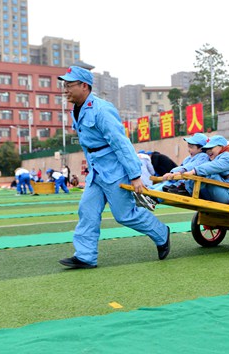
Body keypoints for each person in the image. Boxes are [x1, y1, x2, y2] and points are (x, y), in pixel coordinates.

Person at [57, 65, 170, 269]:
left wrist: (135, 174)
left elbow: (121, 142)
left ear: (84, 86)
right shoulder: (77, 109)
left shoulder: (101, 109)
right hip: (97, 171)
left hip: (115, 171)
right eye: (64, 85)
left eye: (69, 85)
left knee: (125, 215)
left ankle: (162, 233)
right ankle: (85, 256)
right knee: (87, 210)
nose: (65, 89)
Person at [182, 135, 229, 204]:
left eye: (211, 148)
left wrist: (194, 171)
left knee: (210, 174)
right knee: (201, 173)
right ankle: (186, 189)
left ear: (221, 146)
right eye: (206, 149)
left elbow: (212, 167)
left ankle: (188, 191)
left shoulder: (227, 157)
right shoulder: (212, 158)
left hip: (228, 194)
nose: (208, 151)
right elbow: (197, 164)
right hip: (216, 189)